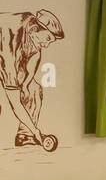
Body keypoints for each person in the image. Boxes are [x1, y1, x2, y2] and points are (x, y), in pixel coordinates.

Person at [0, 8, 64, 148]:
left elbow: (34, 57)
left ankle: (25, 135)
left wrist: (26, 85)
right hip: (5, 55)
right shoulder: (10, 40)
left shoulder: (31, 28)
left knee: (33, 88)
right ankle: (33, 132)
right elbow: (15, 102)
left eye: (50, 41)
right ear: (35, 29)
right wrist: (38, 133)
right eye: (47, 39)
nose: (46, 45)